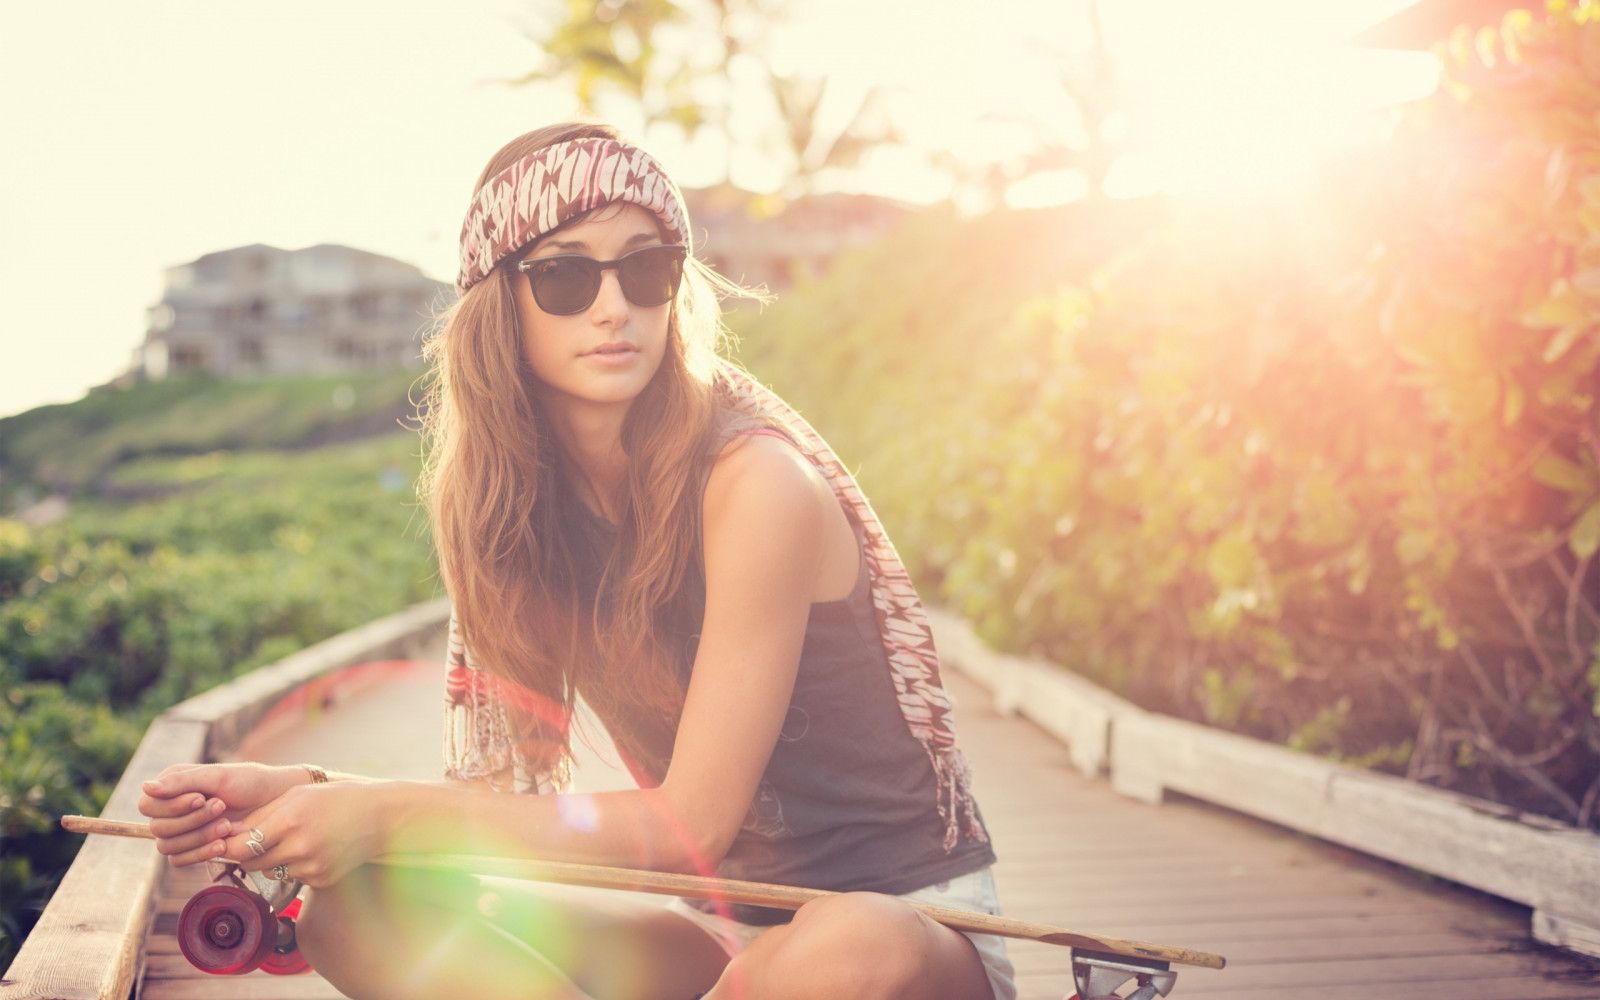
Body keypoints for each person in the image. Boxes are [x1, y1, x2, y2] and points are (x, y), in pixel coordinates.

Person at [138, 122, 1014, 1000]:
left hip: (902, 935)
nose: (612, 306)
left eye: (645, 268)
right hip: (727, 933)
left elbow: (691, 825)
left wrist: (378, 813)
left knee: (856, 940)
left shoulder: (755, 485)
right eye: (562, 273)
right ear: (500, 300)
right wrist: (316, 794)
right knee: (357, 907)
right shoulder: (518, 515)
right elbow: (478, 809)